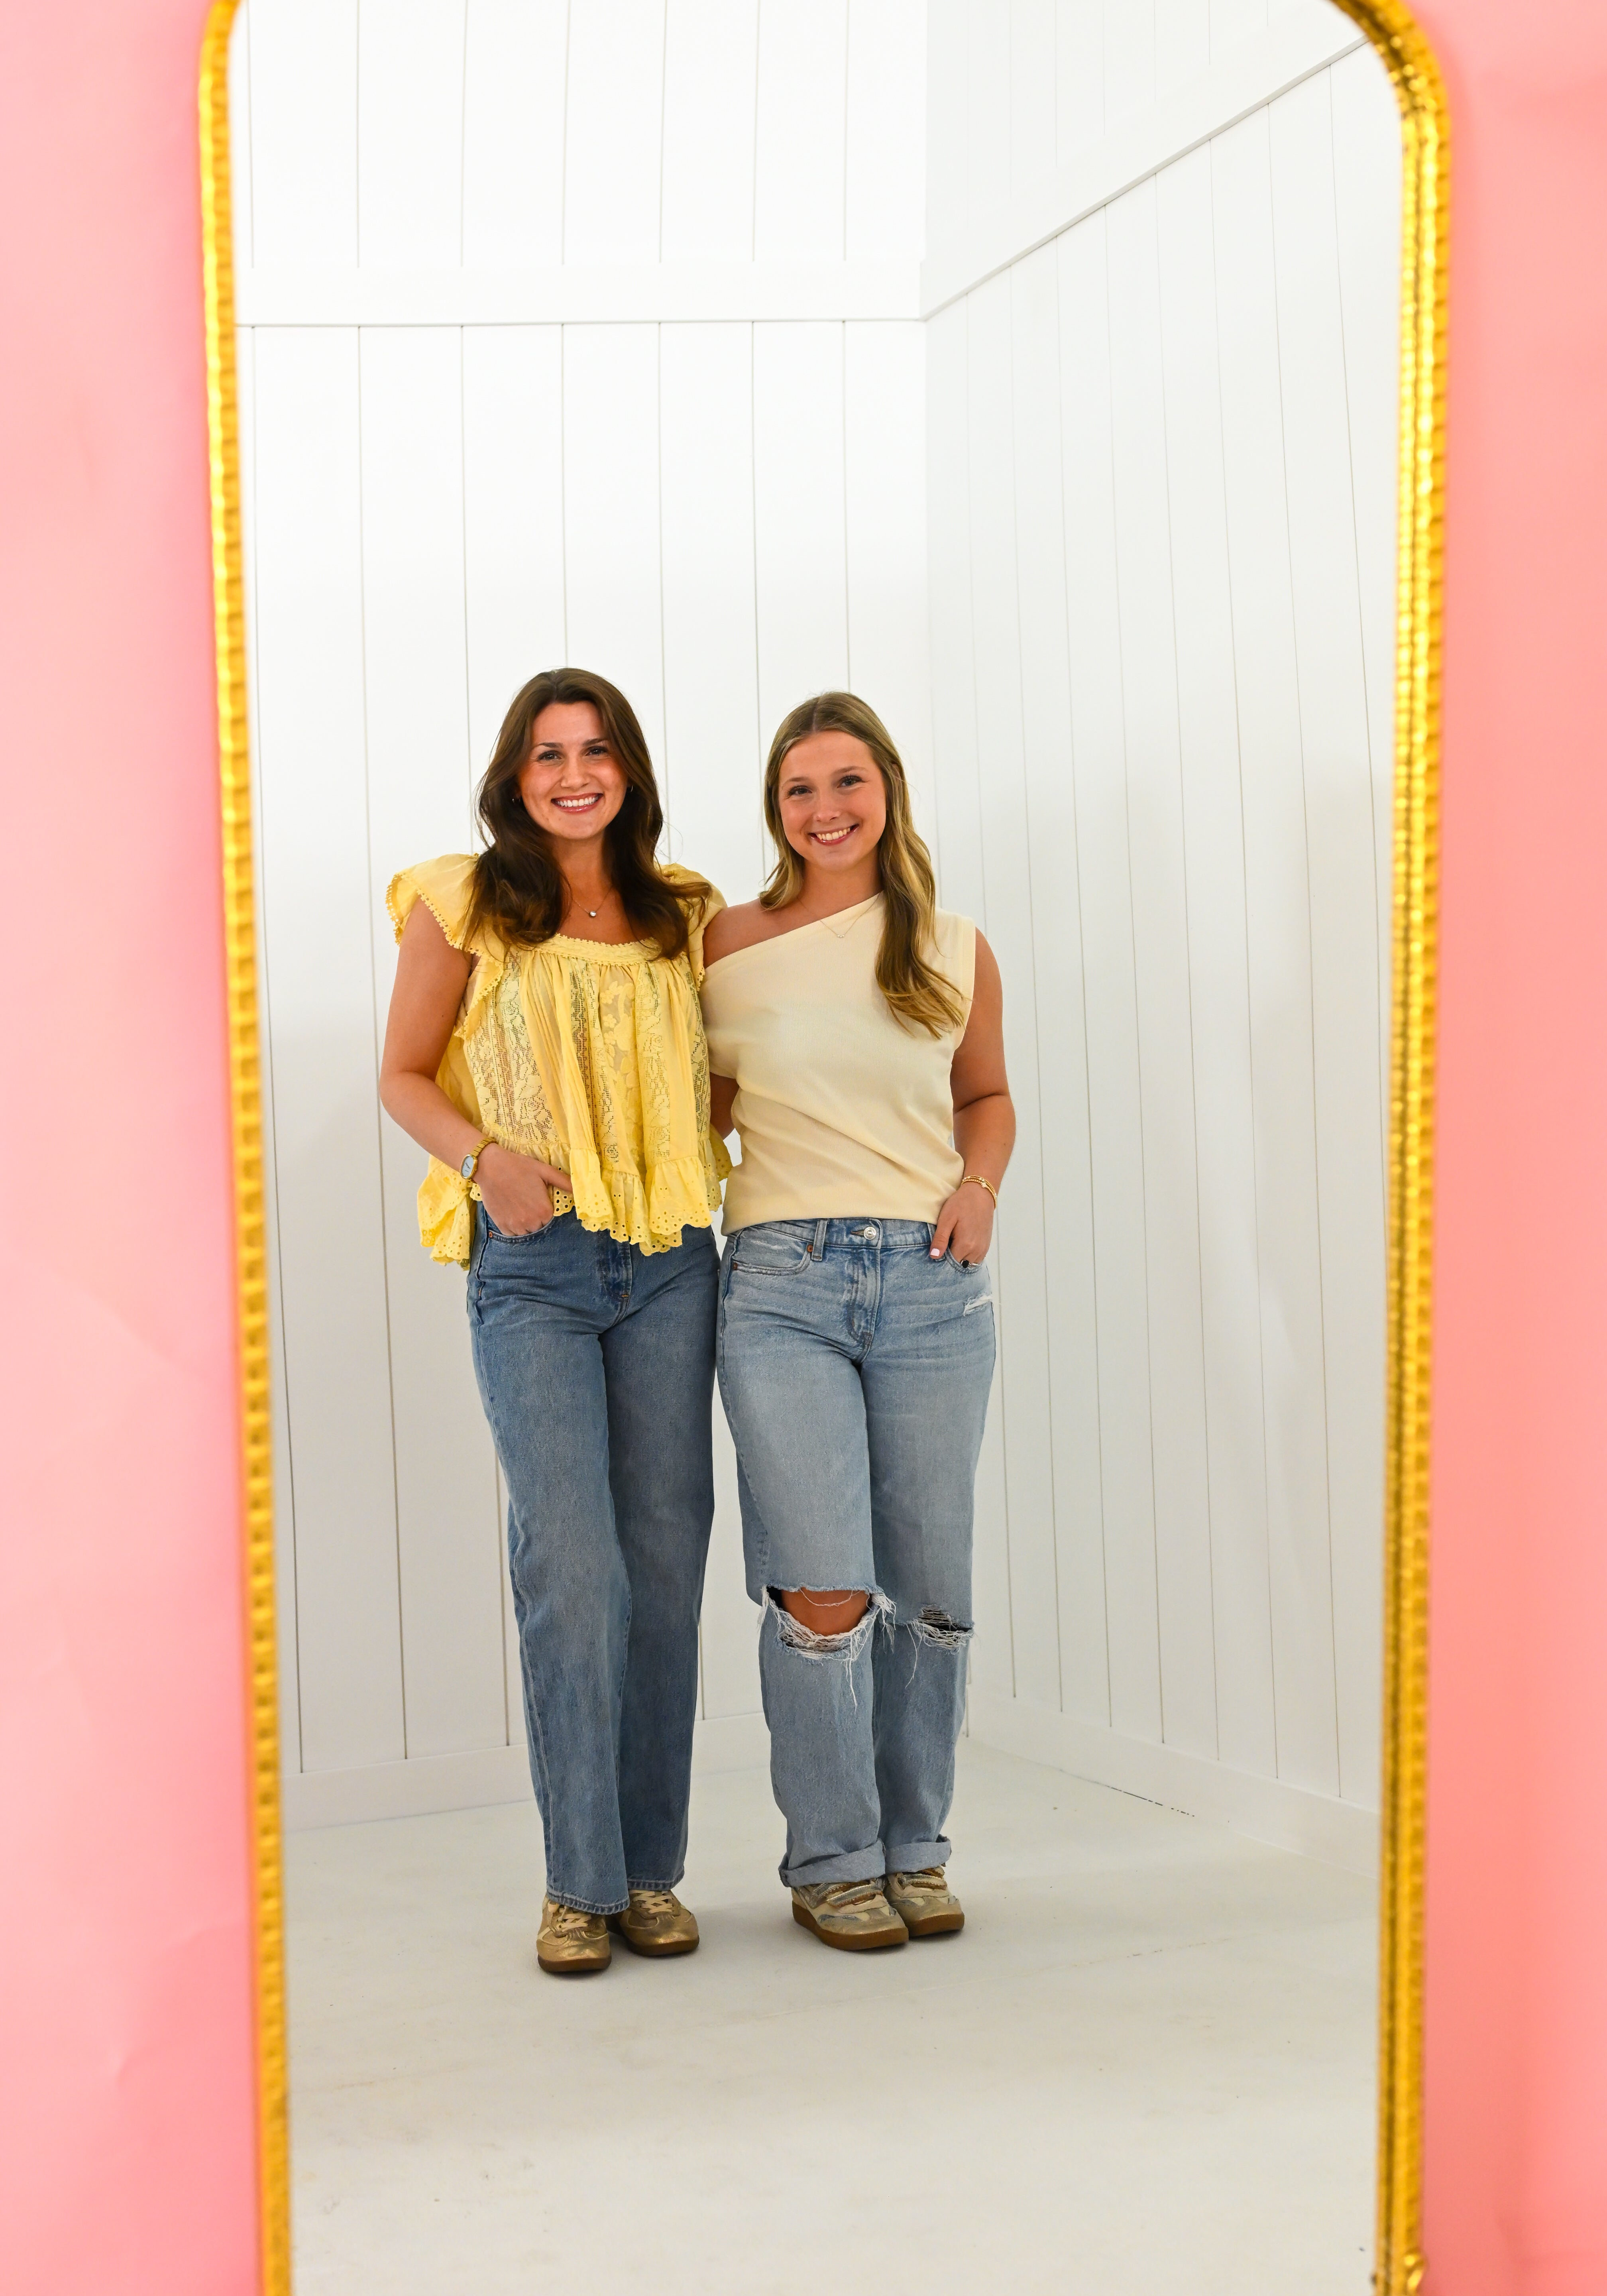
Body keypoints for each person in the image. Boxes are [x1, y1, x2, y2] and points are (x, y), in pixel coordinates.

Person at [379, 668, 729, 1977]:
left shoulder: (682, 914)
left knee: (664, 1565)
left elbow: (724, 1067)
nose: (572, 773)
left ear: (627, 768)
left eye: (594, 751)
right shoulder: (462, 902)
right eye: (546, 755)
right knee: (572, 1569)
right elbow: (403, 1074)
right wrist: (490, 1164)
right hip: (532, 1263)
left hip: (673, 1262)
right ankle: (578, 1884)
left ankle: (649, 1874)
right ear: (514, 778)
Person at [701, 692, 1015, 1952]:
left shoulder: (951, 941)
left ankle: (915, 1848)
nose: (825, 811)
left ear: (887, 787)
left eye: (847, 783)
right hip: (781, 1281)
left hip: (935, 1284)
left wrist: (979, 1187)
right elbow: (699, 1107)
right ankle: (833, 1857)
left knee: (929, 1590)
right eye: (799, 792)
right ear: (775, 811)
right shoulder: (728, 937)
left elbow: (985, 1095)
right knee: (823, 1588)